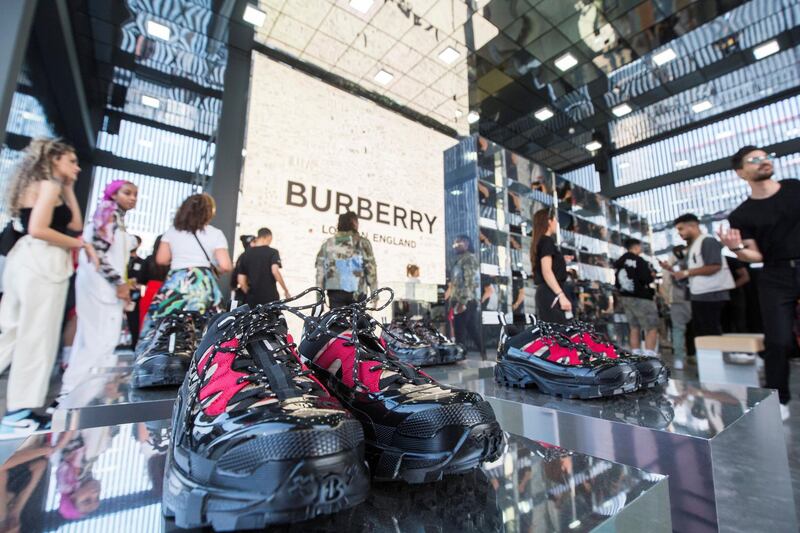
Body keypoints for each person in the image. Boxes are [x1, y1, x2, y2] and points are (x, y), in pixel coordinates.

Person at [0, 138, 98, 434]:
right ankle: (19, 411)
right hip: (42, 263)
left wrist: (69, 188)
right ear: (54, 159)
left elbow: (75, 223)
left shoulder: (43, 185)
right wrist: (82, 246)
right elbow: (40, 229)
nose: (77, 167)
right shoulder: (48, 184)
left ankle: (19, 409)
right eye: (71, 161)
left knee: (13, 331)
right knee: (37, 337)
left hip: (25, 260)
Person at [719, 145, 800, 421]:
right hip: (775, 273)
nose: (762, 161)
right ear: (741, 172)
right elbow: (755, 254)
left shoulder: (794, 189)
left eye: (765, 157)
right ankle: (780, 399)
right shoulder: (741, 215)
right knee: (778, 340)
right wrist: (737, 247)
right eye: (754, 160)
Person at [60, 180, 138, 402]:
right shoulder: (107, 213)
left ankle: (79, 390)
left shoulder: (116, 218)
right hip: (99, 288)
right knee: (97, 340)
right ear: (113, 194)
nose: (133, 198)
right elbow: (98, 254)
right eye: (127, 193)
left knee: (97, 339)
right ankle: (73, 390)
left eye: (135, 194)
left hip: (105, 287)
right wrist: (119, 283)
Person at [140, 193, 232, 339]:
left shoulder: (173, 231)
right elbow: (226, 265)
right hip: (203, 282)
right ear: (208, 212)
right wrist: (213, 269)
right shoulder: (215, 233)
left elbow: (161, 259)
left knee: (165, 324)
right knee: (208, 329)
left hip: (177, 281)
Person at [672, 213, 733, 337]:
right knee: (702, 331)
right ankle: (708, 355)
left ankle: (717, 355)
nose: (679, 233)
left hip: (712, 294)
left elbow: (715, 266)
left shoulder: (708, 241)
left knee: (711, 331)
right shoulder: (693, 246)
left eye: (681, 229)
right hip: (699, 294)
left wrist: (686, 273)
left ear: (693, 225)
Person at [315, 212, 377, 308]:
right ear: (354, 223)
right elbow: (371, 269)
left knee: (337, 321)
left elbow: (320, 271)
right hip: (358, 290)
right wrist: (374, 295)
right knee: (359, 321)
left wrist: (319, 298)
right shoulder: (363, 242)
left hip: (335, 291)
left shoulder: (328, 244)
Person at [614, 238, 658, 355]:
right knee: (651, 327)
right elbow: (646, 278)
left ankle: (636, 354)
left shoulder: (620, 261)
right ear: (636, 247)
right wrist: (652, 275)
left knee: (634, 327)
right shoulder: (640, 261)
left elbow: (617, 281)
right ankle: (650, 356)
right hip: (642, 298)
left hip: (625, 297)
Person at [445, 235, 484, 357]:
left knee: (460, 331)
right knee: (471, 329)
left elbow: (471, 282)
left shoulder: (469, 259)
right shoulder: (460, 259)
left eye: (458, 243)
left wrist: (462, 302)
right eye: (455, 244)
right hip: (462, 300)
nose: (455, 246)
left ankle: (460, 357)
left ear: (466, 243)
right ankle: (482, 353)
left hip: (467, 301)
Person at [530, 208, 570, 324]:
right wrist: (561, 295)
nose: (557, 222)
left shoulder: (542, 241)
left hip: (548, 292)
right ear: (549, 221)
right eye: (555, 219)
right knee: (556, 335)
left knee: (554, 334)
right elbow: (547, 271)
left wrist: (561, 260)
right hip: (551, 293)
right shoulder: (547, 241)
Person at [237, 227, 289, 307]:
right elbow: (275, 271)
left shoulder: (245, 254)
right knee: (273, 319)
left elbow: (241, 281)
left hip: (252, 300)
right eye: (270, 239)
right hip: (270, 298)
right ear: (267, 237)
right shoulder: (273, 252)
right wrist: (285, 290)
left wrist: (250, 294)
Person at [660, 245, 691, 369]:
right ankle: (696, 355)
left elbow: (665, 283)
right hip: (694, 296)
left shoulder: (670, 262)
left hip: (676, 299)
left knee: (678, 329)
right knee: (697, 329)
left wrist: (668, 299)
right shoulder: (691, 258)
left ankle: (679, 359)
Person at [138, 235, 169, 329]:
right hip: (167, 292)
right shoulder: (172, 260)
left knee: (145, 320)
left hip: (150, 290)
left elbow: (141, 279)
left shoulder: (149, 259)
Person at [127, 235, 145, 347]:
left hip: (134, 297)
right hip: (116, 294)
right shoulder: (120, 259)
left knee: (134, 321)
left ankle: (134, 344)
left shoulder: (142, 262)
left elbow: (143, 282)